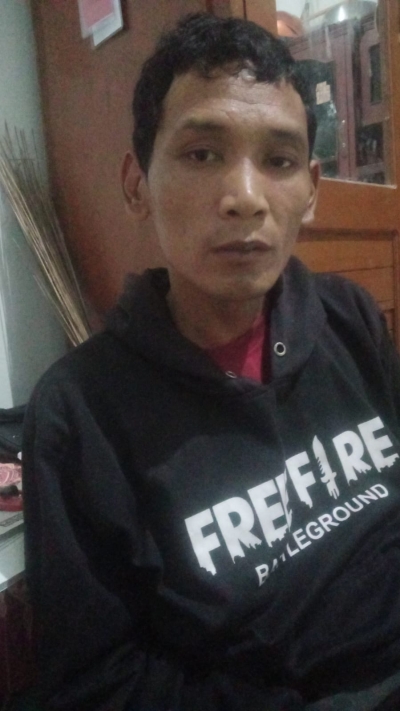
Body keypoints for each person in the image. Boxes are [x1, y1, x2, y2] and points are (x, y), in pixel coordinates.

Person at [22, 12, 400, 711]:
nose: (245, 199)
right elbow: (98, 682)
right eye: (201, 154)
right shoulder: (80, 413)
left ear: (312, 190)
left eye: (279, 161)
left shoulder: (347, 317)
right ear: (136, 185)